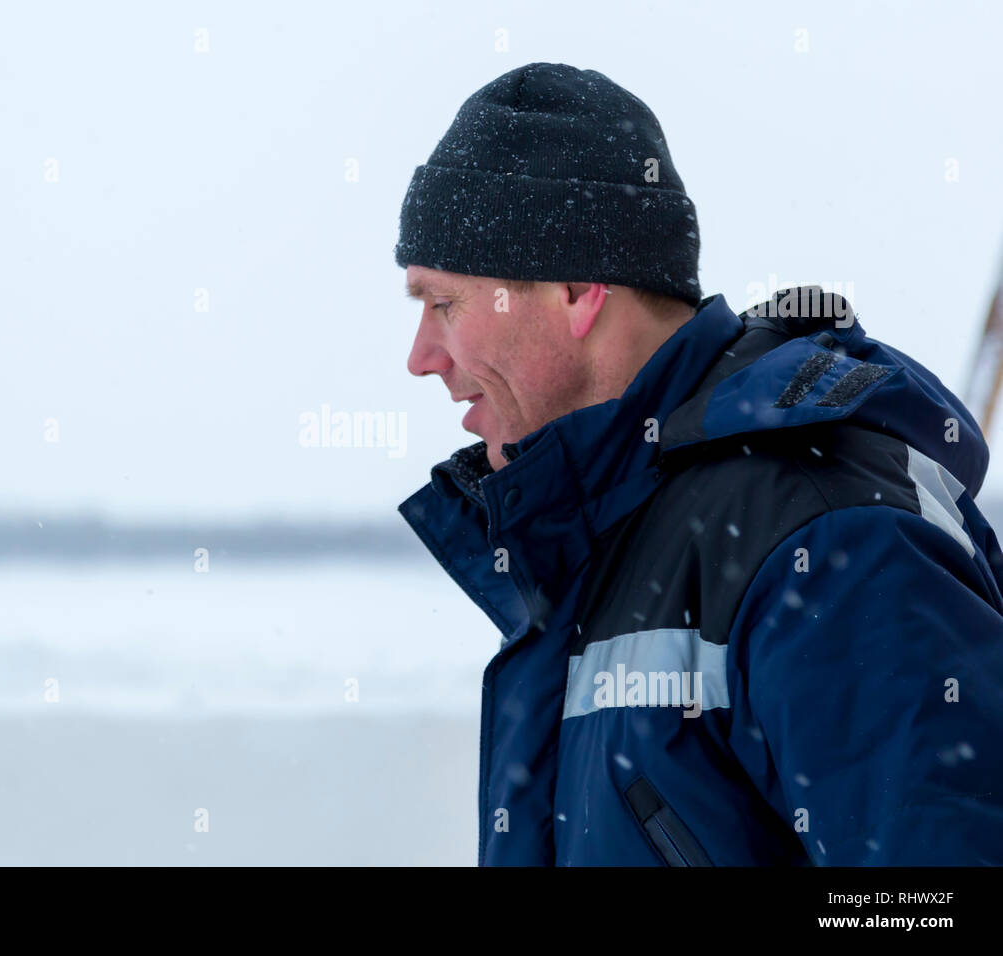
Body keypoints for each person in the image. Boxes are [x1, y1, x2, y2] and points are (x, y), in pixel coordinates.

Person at [395, 61, 1003, 865]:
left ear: (577, 291)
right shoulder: (598, 541)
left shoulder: (828, 543)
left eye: (444, 304)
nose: (421, 357)